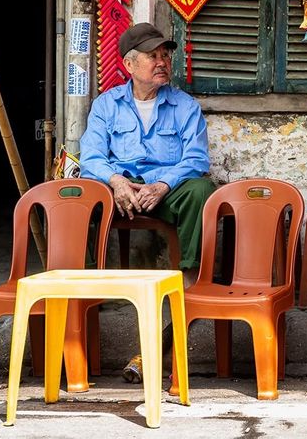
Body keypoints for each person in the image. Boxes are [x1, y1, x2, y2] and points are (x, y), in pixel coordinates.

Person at [79, 22, 214, 381]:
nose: (162, 63)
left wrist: (163, 185)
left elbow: (196, 158)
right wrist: (115, 180)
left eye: (165, 56)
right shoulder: (107, 104)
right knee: (79, 196)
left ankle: (189, 276)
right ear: (129, 64)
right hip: (121, 187)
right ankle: (84, 283)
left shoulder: (184, 106)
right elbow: (90, 155)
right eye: (153, 56)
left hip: (163, 189)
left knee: (201, 190)